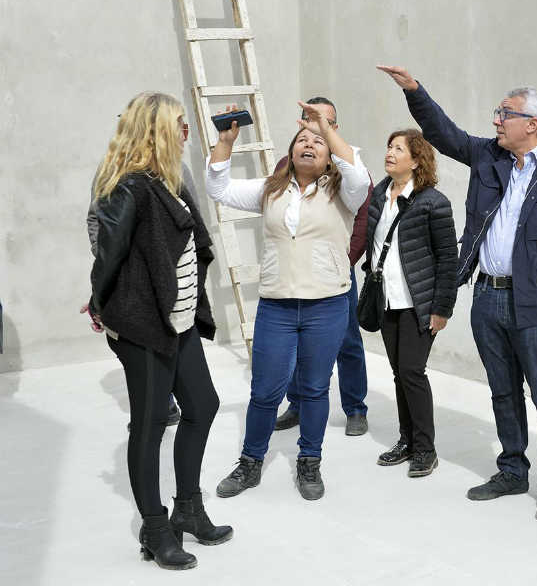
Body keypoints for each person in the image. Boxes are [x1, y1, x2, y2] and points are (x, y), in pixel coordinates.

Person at [377, 66, 537, 520]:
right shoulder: (489, 157)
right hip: (487, 296)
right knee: (502, 392)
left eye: (504, 114)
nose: (496, 121)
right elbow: (444, 135)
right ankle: (512, 470)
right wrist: (415, 92)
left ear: (532, 124)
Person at [88, 92, 231, 571]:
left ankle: (188, 508)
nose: (186, 132)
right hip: (144, 325)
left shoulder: (169, 181)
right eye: (180, 124)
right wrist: (101, 305)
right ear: (157, 130)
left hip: (180, 321)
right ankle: (155, 527)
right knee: (149, 426)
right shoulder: (128, 186)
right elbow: (107, 256)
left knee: (203, 405)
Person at [208, 101, 370, 501]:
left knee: (315, 389)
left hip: (326, 306)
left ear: (330, 152)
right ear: (290, 150)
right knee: (265, 391)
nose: (309, 144)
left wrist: (324, 127)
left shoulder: (343, 191)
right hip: (277, 306)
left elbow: (360, 175)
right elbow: (219, 189)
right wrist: (225, 143)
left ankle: (309, 461)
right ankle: (250, 462)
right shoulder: (270, 189)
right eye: (302, 139)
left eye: (318, 140)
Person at [272, 96, 372, 437]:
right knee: (299, 342)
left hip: (335, 273)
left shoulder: (349, 163)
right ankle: (298, 403)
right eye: (310, 118)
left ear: (335, 127)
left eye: (324, 120)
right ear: (300, 123)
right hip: (296, 275)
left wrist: (341, 262)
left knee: (347, 342)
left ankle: (355, 407)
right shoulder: (287, 163)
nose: (316, 125)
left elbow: (362, 222)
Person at [367, 129, 457, 477]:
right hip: (387, 300)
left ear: (416, 160)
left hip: (419, 303)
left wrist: (441, 309)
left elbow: (448, 258)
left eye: (398, 149)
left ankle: (425, 448)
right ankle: (406, 441)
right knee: (398, 374)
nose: (389, 153)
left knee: (411, 372)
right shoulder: (379, 195)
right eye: (389, 146)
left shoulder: (433, 202)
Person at [83, 162, 198, 428]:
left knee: (173, 339)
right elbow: (94, 218)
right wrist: (107, 259)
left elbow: (193, 218)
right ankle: (157, 405)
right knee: (140, 344)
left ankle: (165, 397)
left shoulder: (177, 167)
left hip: (172, 277)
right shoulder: (110, 168)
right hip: (131, 280)